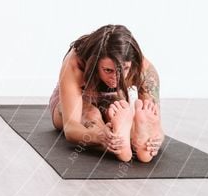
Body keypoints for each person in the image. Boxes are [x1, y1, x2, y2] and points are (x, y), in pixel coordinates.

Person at [49, 25, 163, 163]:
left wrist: (157, 138)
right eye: (108, 70)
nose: (117, 78)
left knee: (133, 113)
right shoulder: (75, 64)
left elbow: (153, 119)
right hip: (79, 100)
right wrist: (98, 137)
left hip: (114, 101)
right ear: (94, 64)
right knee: (90, 114)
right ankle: (116, 143)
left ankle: (131, 139)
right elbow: (70, 127)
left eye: (125, 69)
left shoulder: (144, 68)